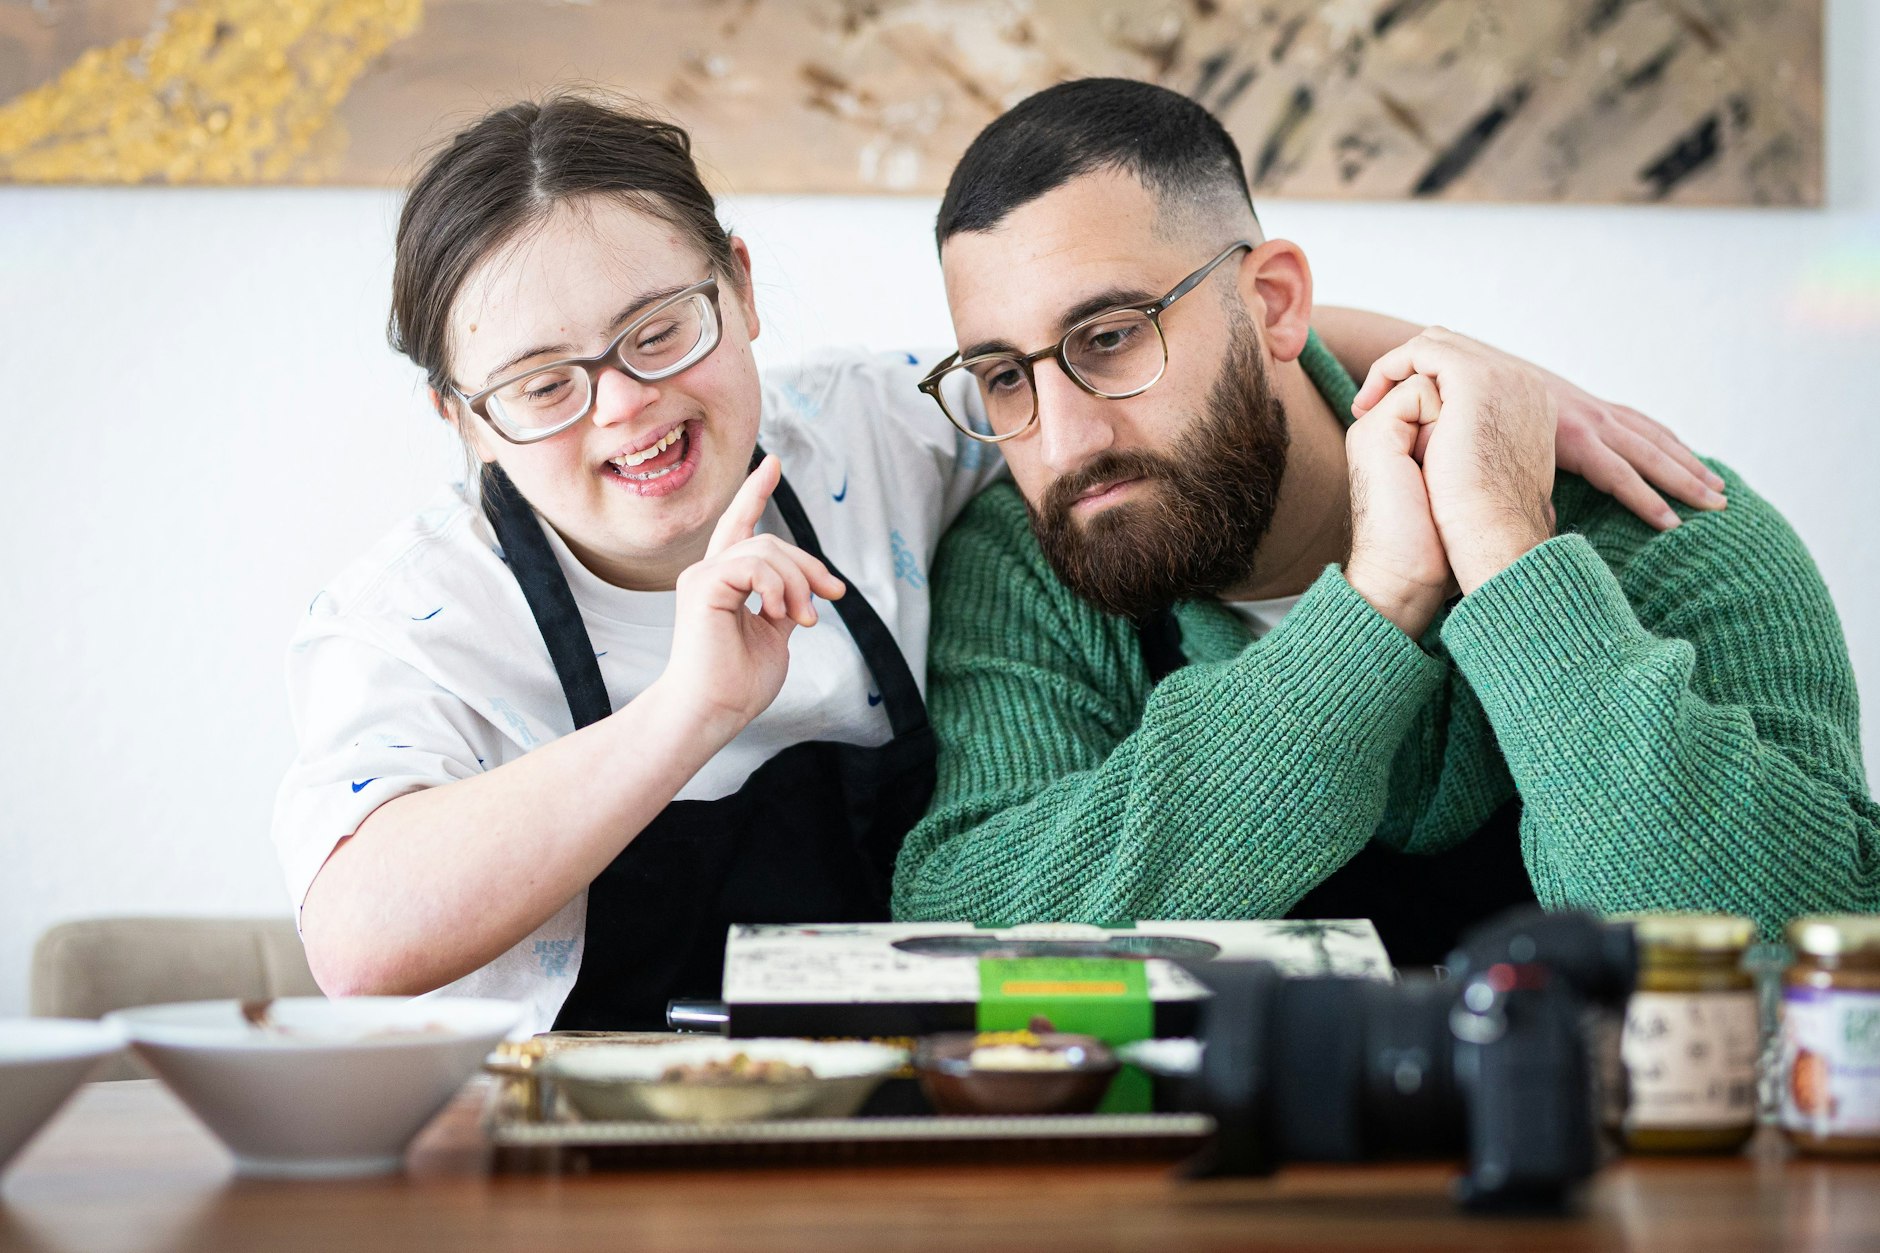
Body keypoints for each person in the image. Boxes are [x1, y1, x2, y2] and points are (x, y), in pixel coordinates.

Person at [271, 92, 1718, 1032]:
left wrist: (1483, 377)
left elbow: (1146, 345)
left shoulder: (871, 435)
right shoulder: (419, 613)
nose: (627, 405)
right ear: (458, 420)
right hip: (581, 1162)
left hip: (921, 1132)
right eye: (540, 384)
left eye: (662, 331)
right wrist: (684, 716)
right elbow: (358, 938)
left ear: (745, 287)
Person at [893, 78, 1878, 962]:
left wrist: (1510, 564)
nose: (1061, 443)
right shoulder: (1031, 565)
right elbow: (955, 938)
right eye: (1003, 376)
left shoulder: (1667, 526)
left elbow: (1806, 965)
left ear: (1273, 304)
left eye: (1107, 339)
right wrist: (1369, 615)